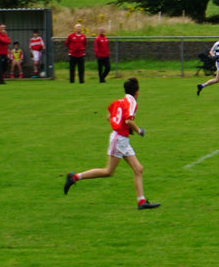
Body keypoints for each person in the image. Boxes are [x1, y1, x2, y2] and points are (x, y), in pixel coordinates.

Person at [63, 78, 160, 210]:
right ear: (137, 92)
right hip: (119, 139)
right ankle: (74, 177)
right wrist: (139, 130)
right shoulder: (132, 102)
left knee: (138, 169)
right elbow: (128, 121)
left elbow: (110, 115)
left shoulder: (121, 100)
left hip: (122, 139)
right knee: (108, 171)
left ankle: (141, 202)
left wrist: (118, 123)